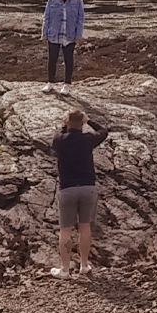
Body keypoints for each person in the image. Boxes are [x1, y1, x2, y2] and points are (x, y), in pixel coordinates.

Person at [50, 109, 106, 278]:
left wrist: (65, 123)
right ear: (82, 123)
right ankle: (84, 265)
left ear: (66, 123)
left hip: (67, 188)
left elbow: (60, 134)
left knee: (65, 230)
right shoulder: (87, 140)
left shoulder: (59, 140)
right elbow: (103, 131)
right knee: (85, 227)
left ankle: (65, 270)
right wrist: (89, 121)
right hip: (88, 187)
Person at [42, 0, 85, 95]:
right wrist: (44, 34)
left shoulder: (77, 1)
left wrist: (78, 35)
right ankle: (50, 83)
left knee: (68, 60)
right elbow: (47, 17)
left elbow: (80, 19)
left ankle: (67, 84)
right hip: (54, 34)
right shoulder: (52, 0)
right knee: (52, 59)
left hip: (69, 35)